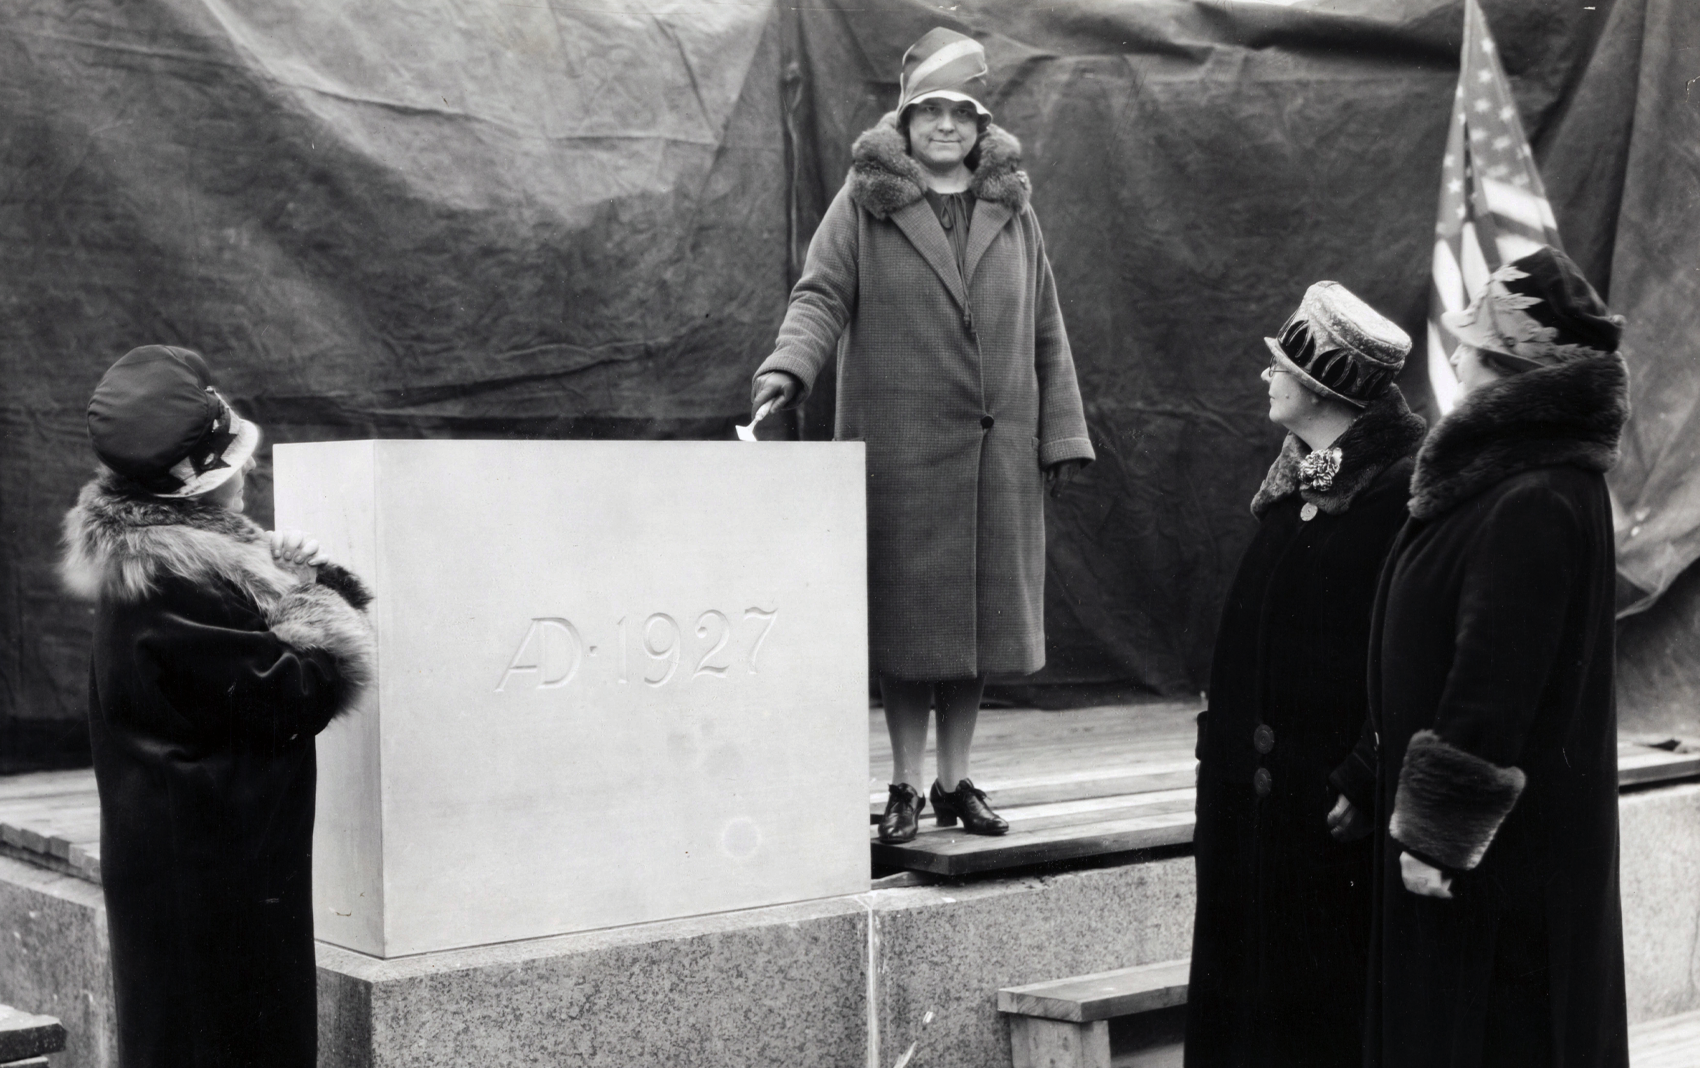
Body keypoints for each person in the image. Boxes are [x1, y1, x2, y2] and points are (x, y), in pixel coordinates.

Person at [749, 27, 1093, 844]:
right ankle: (901, 784)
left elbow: (1047, 324)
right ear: (903, 120)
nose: (945, 126)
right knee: (909, 632)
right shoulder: (864, 203)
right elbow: (820, 296)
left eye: (961, 112)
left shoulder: (1013, 209)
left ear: (981, 122)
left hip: (993, 456)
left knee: (972, 634)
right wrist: (788, 366)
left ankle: (954, 782)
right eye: (929, 111)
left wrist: (1063, 433)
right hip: (901, 453)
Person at [60, 345, 375, 1068]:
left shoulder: (164, 560)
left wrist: (283, 575)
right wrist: (308, 594)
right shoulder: (173, 581)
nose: (246, 478)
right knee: (226, 1039)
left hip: (197, 859)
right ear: (190, 485)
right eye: (232, 469)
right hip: (212, 874)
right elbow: (293, 690)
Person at [1365, 247, 1630, 1068]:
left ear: (1512, 369)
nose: (1451, 356)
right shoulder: (1512, 480)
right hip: (1493, 855)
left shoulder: (1535, 496)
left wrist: (1438, 836)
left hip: (1501, 863)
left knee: (1497, 1035)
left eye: (1471, 347)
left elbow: (1496, 678)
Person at [1184, 283, 1426, 1068]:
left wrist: (1365, 769)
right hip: (1257, 815)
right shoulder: (1302, 483)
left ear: (1324, 382)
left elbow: (1405, 648)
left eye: (1282, 363)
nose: (1266, 376)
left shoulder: (1389, 497)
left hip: (1318, 819)